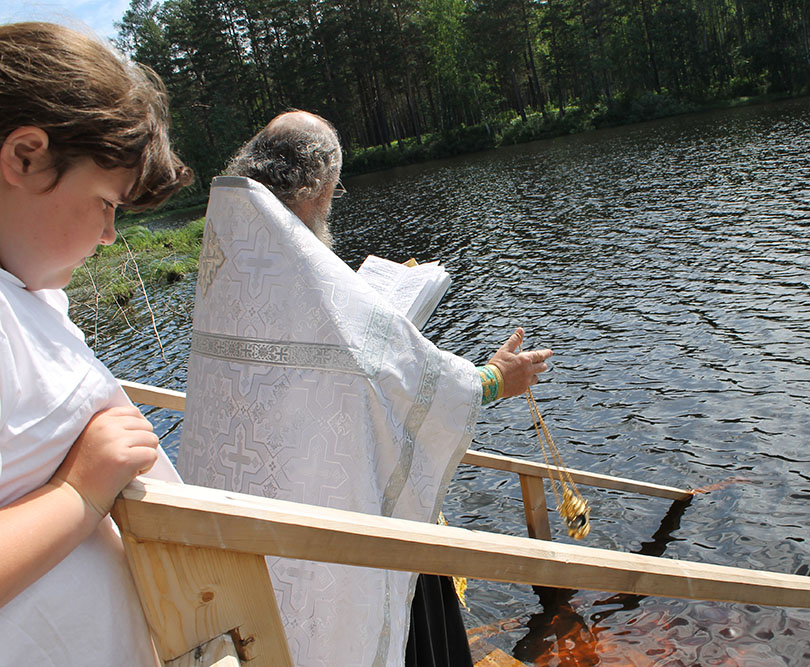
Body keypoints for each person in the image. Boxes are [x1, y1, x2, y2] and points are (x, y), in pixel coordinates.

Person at [177, 110, 553, 666]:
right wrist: (498, 378)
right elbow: (419, 388)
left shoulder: (233, 266)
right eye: (335, 188)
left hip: (248, 524)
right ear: (317, 187)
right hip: (343, 517)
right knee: (409, 616)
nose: (334, 199)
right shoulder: (302, 271)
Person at [0, 22, 191, 665]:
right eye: (105, 203)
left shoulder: (25, 298)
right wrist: (80, 492)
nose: (110, 235)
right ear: (24, 157)